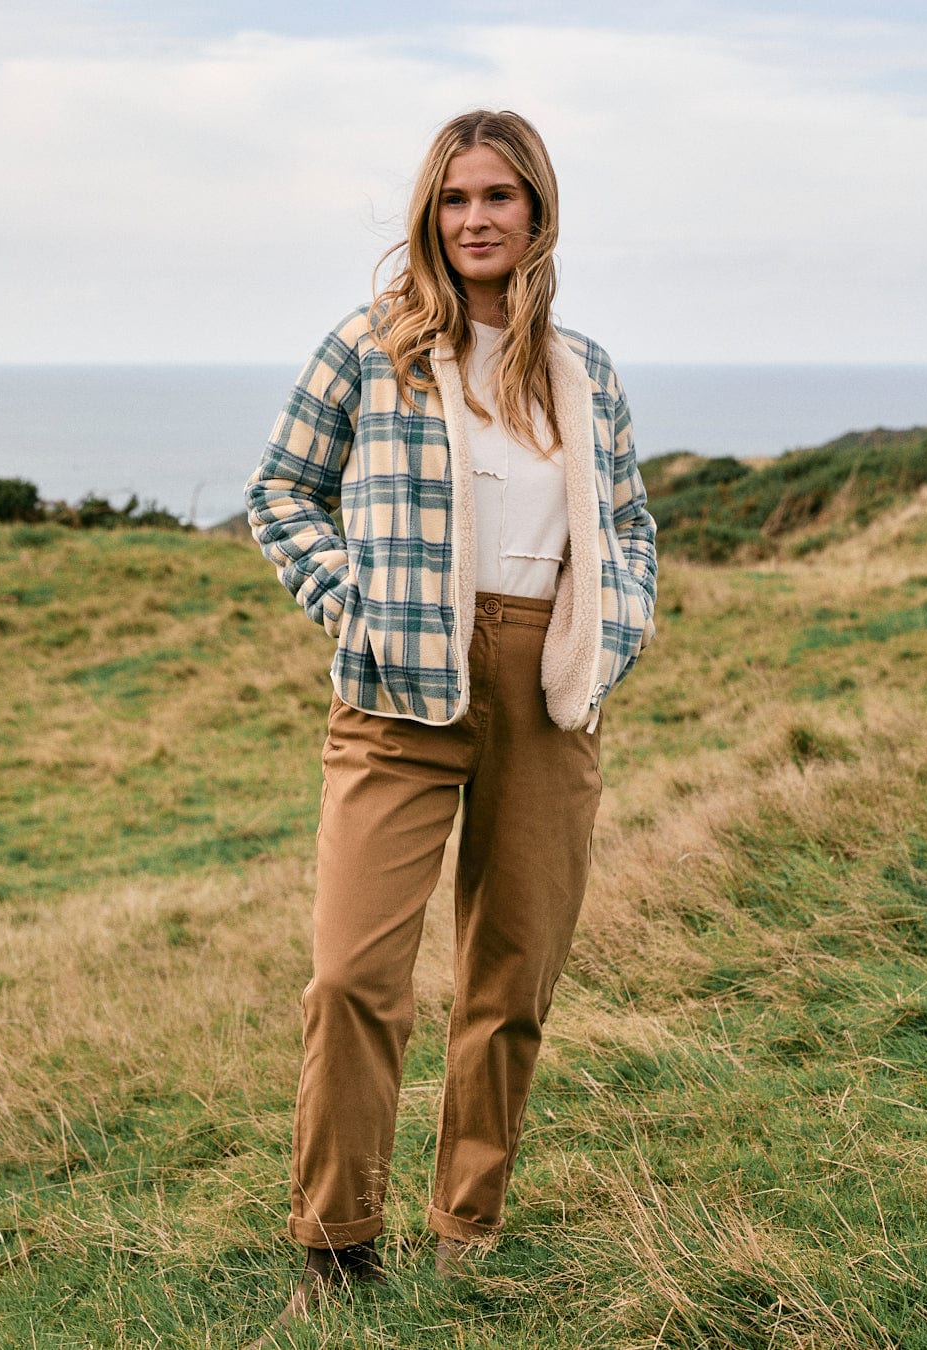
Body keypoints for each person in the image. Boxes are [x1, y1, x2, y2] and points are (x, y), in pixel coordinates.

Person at [243, 108, 657, 1335]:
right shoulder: (370, 351)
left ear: (537, 212)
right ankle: (337, 1239)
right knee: (353, 975)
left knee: (510, 975)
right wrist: (354, 606)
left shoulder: (584, 370)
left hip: (545, 687)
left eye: (501, 198)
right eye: (457, 199)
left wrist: (611, 636)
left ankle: (468, 1223)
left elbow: (628, 522)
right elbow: (279, 490)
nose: (477, 220)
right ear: (433, 215)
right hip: (394, 688)